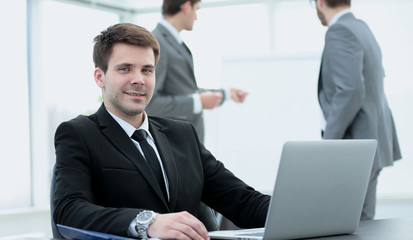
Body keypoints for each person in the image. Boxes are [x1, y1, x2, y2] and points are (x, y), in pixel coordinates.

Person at [52, 23, 270, 239]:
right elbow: (69, 210)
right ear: (100, 77)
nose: (139, 79)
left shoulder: (183, 134)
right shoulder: (78, 134)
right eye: (125, 68)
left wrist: (296, 210)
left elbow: (241, 201)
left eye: (147, 70)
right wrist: (146, 222)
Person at [312, 0, 402, 220]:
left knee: (344, 223)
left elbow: (351, 90)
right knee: (360, 222)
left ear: (320, 2)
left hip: (354, 145)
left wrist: (329, 141)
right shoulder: (361, 27)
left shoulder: (339, 31)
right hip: (373, 140)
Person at [146, 0, 248, 143]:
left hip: (186, 144)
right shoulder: (158, 42)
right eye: (196, 9)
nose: (196, 17)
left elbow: (186, 90)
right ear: (187, 6)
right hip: (174, 145)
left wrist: (227, 94)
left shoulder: (172, 42)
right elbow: (150, 103)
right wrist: (197, 102)